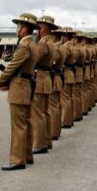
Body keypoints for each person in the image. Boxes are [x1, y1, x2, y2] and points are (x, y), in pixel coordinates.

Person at [0, 13, 39, 171]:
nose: (16, 29)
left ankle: (17, 159)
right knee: (26, 123)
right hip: (26, 85)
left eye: (18, 26)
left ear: (23, 29)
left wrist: (0, 81)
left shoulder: (24, 45)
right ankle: (26, 155)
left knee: (18, 125)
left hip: (19, 87)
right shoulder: (33, 44)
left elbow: (13, 67)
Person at [31, 15, 56, 154]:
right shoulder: (51, 42)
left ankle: (40, 143)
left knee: (38, 114)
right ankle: (46, 140)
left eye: (39, 27)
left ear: (42, 29)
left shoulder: (42, 43)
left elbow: (34, 60)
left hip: (40, 78)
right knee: (45, 112)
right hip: (46, 78)